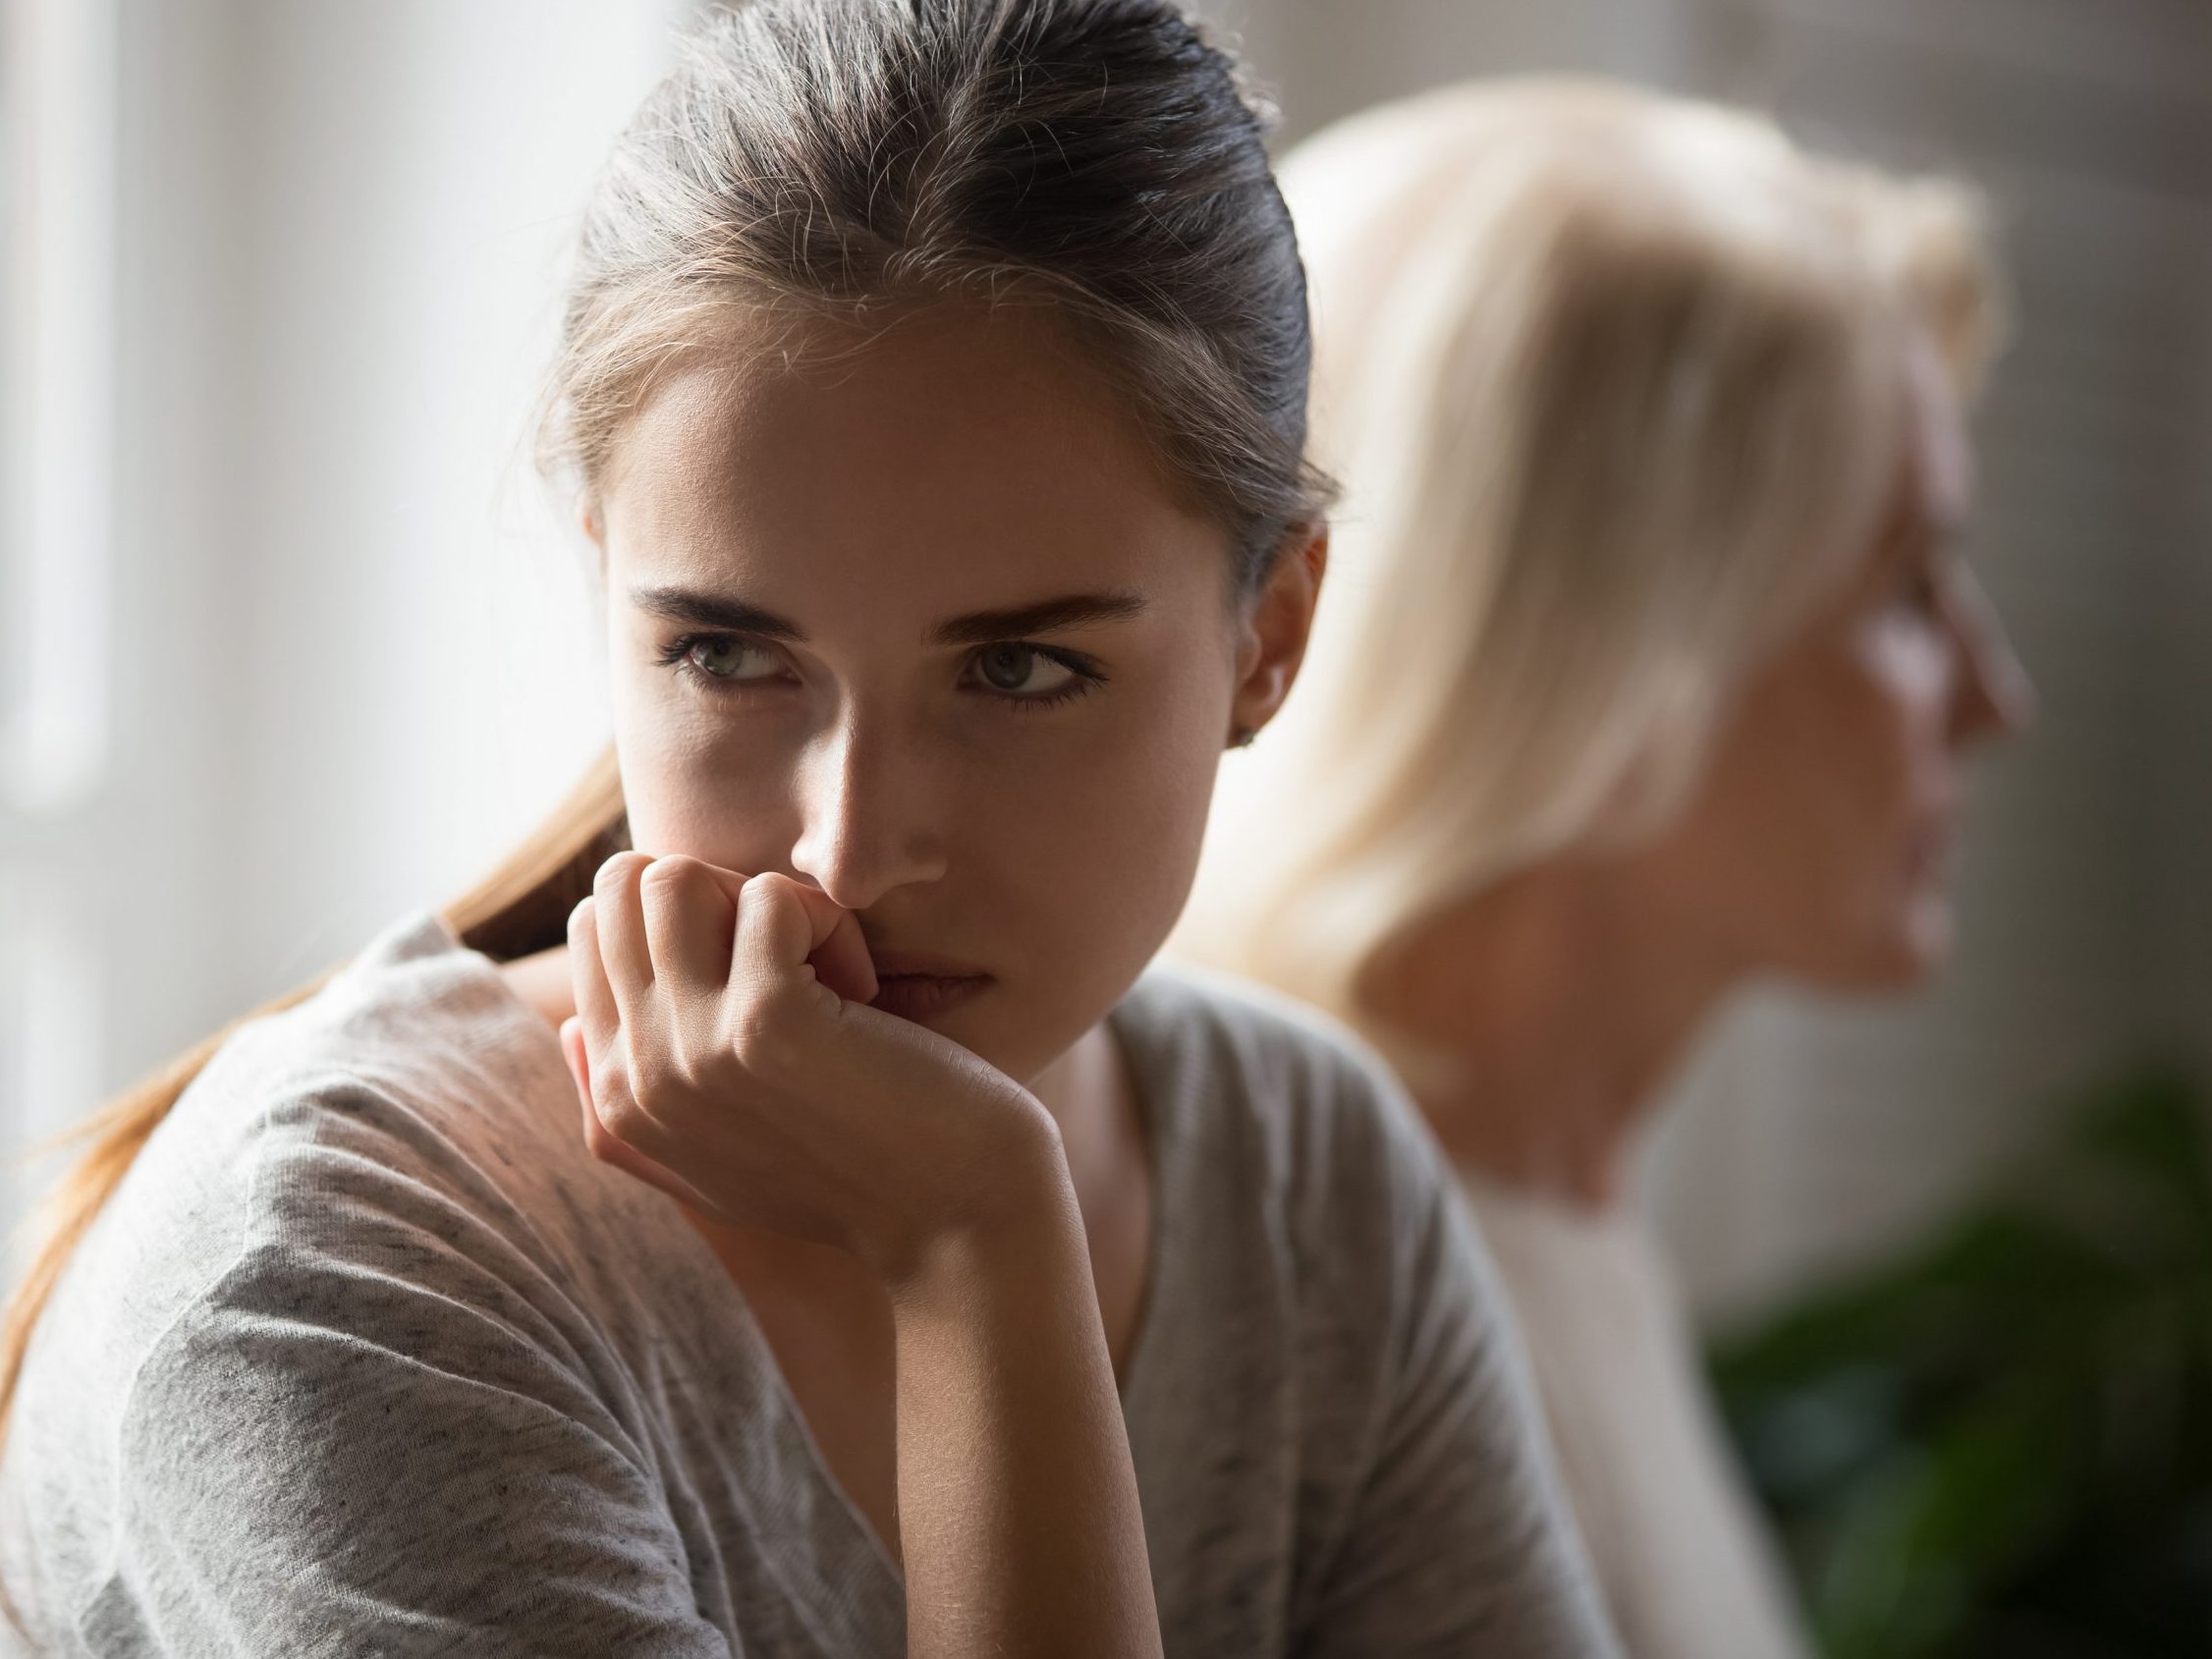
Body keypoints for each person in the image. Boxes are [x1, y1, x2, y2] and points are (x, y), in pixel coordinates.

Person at [0, 8, 1622, 1658]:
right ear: (606, 589)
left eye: (1020, 667)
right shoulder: (335, 1282)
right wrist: (973, 1238)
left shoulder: (1297, 1173)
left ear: (1267, 636)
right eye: (728, 654)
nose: (846, 856)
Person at [1173, 79, 2036, 1659]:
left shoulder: (1550, 1215)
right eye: (1910, 587)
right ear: (1615, 647)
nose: (1996, 699)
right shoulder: (1300, 1290)